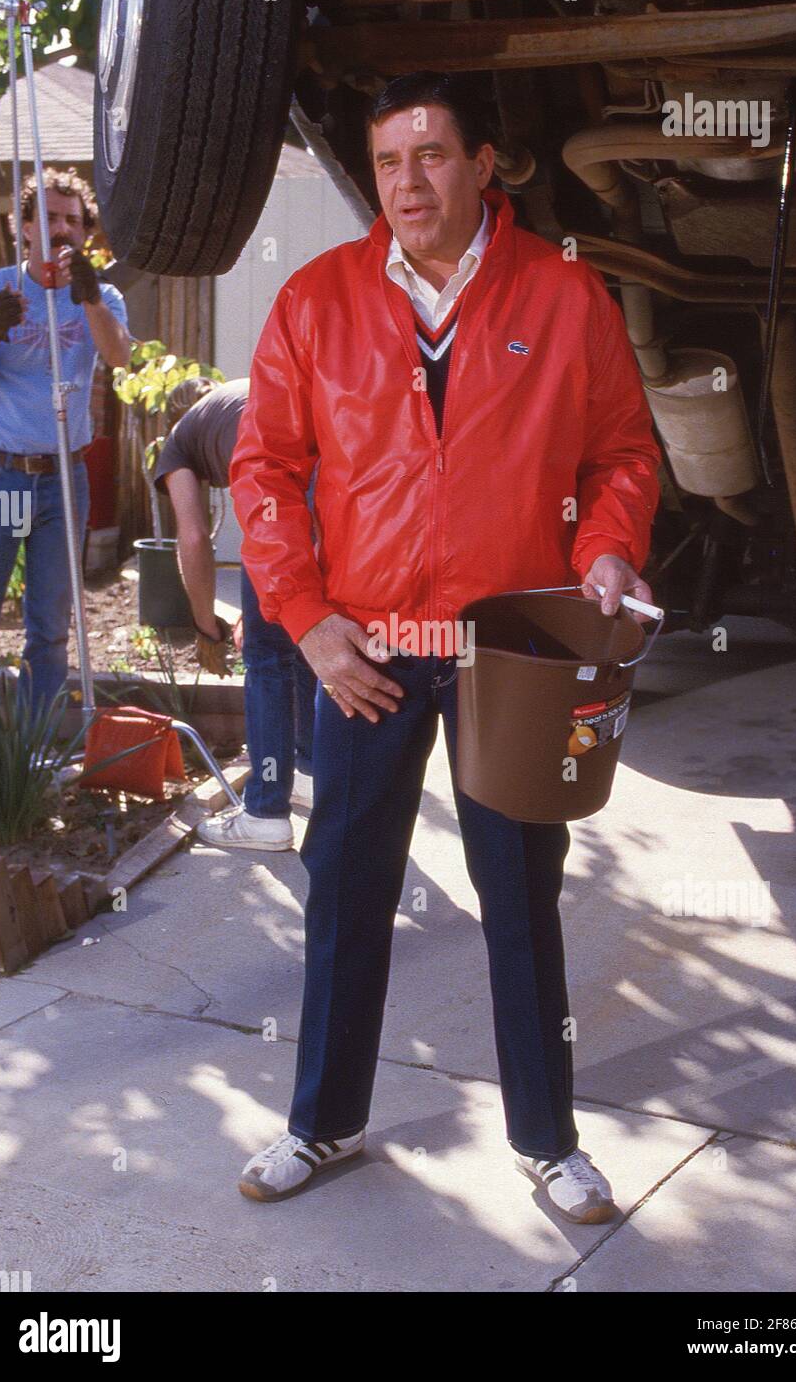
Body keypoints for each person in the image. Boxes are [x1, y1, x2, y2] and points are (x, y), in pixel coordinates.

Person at [230, 72, 661, 1224]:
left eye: (429, 157)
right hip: (363, 647)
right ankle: (322, 1120)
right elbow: (263, 469)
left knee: (519, 895)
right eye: (388, 164)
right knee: (345, 885)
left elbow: (621, 453)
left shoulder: (565, 298)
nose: (407, 183)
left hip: (505, 653)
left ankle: (548, 1141)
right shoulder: (317, 302)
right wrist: (309, 620)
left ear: (484, 166)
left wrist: (610, 550)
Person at [0, 166, 130, 718]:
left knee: (50, 627)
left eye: (73, 220)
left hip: (65, 476)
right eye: (51, 217)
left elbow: (120, 357)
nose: (62, 229)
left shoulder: (100, 294)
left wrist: (89, 301)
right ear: (25, 226)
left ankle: (37, 757)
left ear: (84, 232)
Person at [151, 376, 316, 850]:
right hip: (331, 477)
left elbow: (193, 537)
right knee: (308, 634)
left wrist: (206, 627)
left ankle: (265, 812)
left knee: (266, 658)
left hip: (279, 490)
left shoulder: (179, 440)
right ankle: (309, 773)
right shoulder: (238, 396)